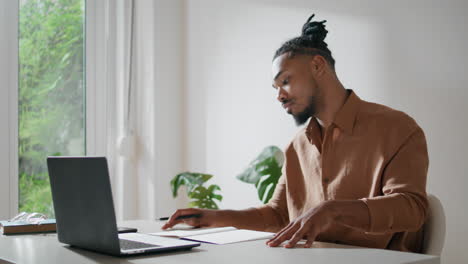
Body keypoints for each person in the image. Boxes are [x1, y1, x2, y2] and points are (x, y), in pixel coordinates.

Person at [163, 14, 429, 253]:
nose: (279, 95)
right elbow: (278, 215)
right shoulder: (296, 146)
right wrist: (214, 218)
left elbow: (412, 208)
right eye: (275, 87)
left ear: (317, 66)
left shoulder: (396, 128)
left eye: (285, 81)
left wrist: (333, 210)